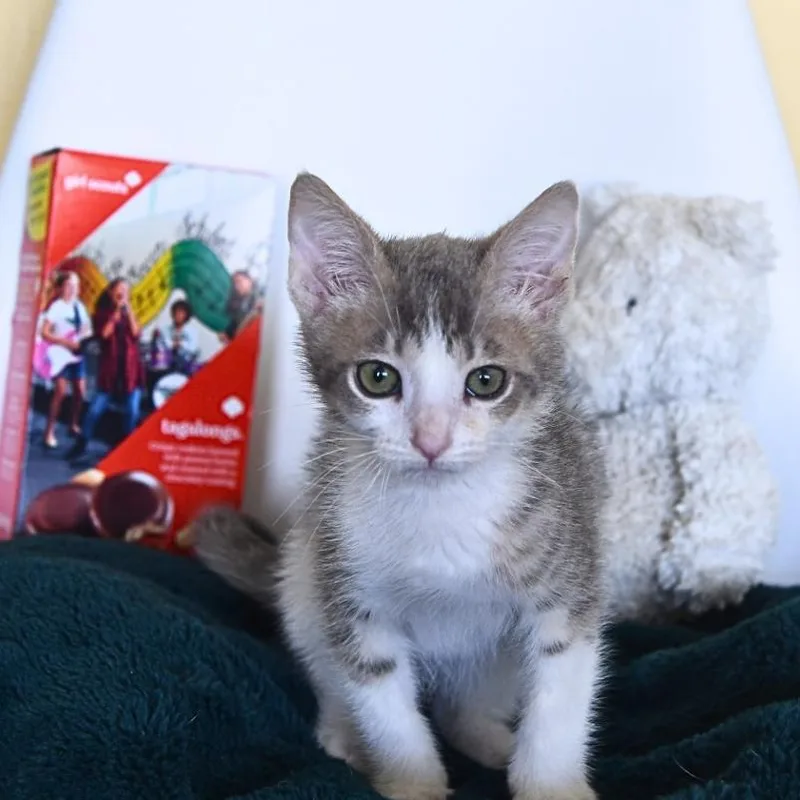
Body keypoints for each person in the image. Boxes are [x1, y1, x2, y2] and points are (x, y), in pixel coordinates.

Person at [69, 279, 145, 459]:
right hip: (110, 370)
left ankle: (125, 450)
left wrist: (129, 310)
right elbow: (104, 334)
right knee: (95, 410)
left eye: (126, 290)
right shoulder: (102, 314)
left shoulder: (130, 314)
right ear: (111, 293)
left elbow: (136, 333)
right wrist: (116, 313)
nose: (122, 293)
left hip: (131, 371)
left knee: (132, 412)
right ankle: (81, 444)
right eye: (119, 290)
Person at [40, 271, 92, 449]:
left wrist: (84, 336)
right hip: (61, 354)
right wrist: (64, 342)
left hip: (76, 354)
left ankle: (73, 423)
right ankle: (49, 431)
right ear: (61, 287)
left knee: (80, 391)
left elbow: (86, 328)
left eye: (75, 286)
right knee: (60, 392)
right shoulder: (57, 307)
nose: (72, 290)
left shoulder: (80, 307)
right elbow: (45, 333)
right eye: (69, 285)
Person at [220, 270, 263, 344]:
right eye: (235, 284)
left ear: (249, 280)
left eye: (239, 281)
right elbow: (236, 322)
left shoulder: (262, 293)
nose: (237, 286)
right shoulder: (239, 303)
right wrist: (226, 333)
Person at [165, 298, 198, 372]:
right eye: (176, 312)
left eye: (181, 313)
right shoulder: (166, 329)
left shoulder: (192, 331)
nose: (178, 315)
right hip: (168, 364)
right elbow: (164, 345)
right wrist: (172, 344)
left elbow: (193, 348)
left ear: (186, 315)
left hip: (186, 366)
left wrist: (180, 344)